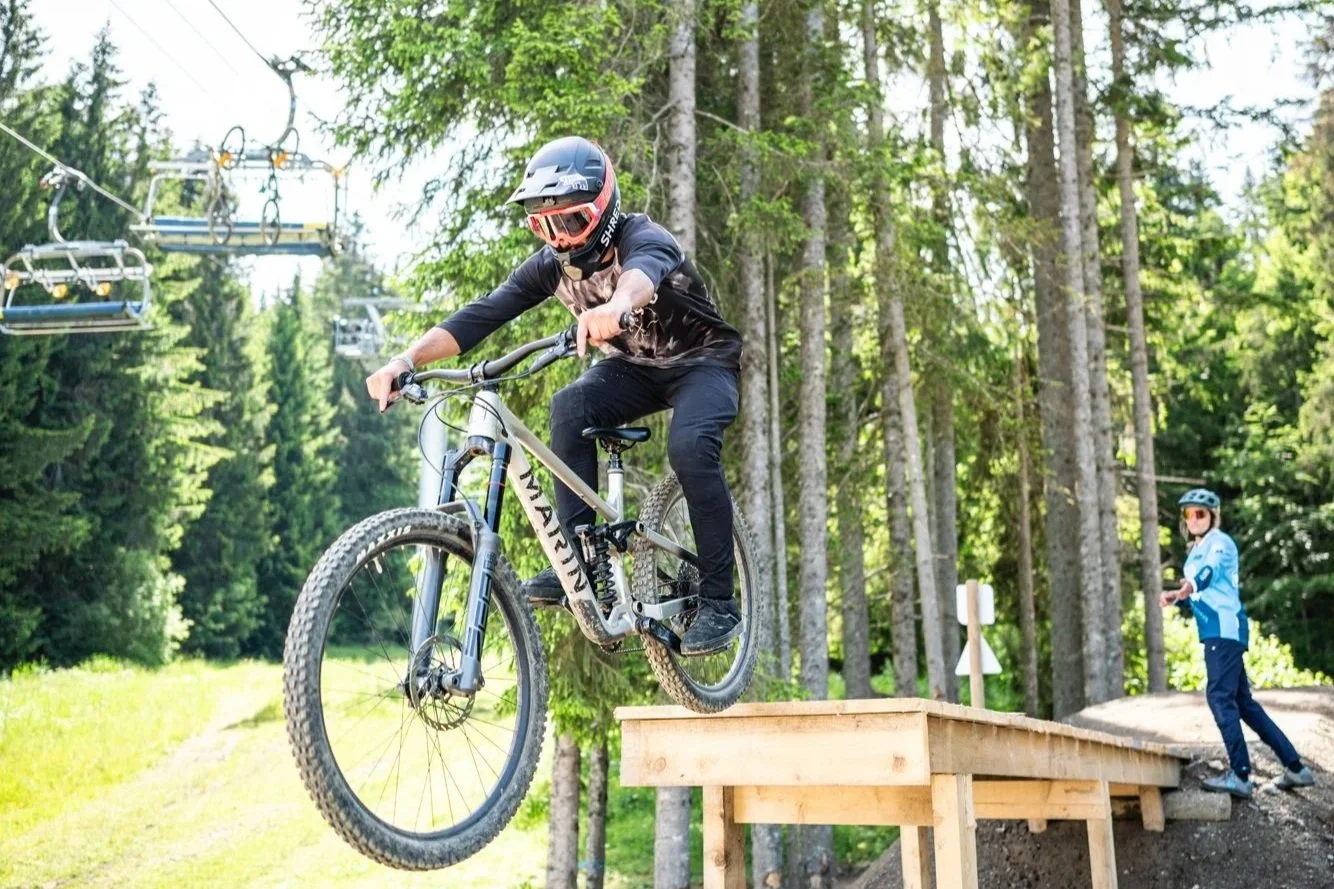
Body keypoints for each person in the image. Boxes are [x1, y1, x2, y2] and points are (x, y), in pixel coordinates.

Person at [364, 136, 744, 656]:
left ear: (603, 212)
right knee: (570, 406)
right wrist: (405, 360)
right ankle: (583, 566)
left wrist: (615, 307)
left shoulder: (643, 237)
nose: (560, 239)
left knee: (691, 447)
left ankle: (720, 600)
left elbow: (640, 279)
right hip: (636, 368)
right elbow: (482, 314)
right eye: (545, 226)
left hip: (703, 360)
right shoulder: (550, 266)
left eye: (570, 222)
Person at [1160, 489, 1317, 798]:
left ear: (1213, 516)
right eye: (1189, 514)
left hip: (1224, 629)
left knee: (1219, 697)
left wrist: (1191, 585)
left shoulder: (1220, 543)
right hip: (1217, 631)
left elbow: (1209, 573)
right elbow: (1202, 595)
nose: (1194, 519)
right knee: (1244, 704)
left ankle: (1241, 775)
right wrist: (1177, 598)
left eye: (1200, 513)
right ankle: (1296, 769)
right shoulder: (1194, 552)